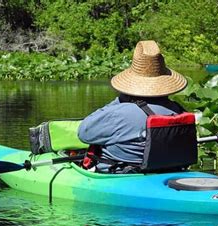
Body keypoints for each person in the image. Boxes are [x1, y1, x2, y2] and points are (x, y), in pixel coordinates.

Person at [77, 40, 188, 173]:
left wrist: (120, 100)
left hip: (122, 176)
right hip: (172, 172)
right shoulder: (177, 110)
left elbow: (84, 133)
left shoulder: (119, 113)